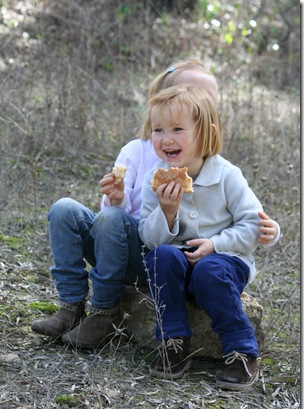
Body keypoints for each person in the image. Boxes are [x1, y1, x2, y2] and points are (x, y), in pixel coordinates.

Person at [31, 59, 280, 349]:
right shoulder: (140, 154)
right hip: (127, 246)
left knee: (127, 229)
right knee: (67, 209)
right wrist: (118, 199)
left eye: (206, 97)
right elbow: (108, 219)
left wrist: (264, 231)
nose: (166, 138)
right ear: (161, 99)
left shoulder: (208, 161)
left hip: (164, 259)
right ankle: (71, 308)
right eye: (159, 129)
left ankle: (106, 312)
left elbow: (245, 216)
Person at [138, 84, 268, 390]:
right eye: (158, 130)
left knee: (211, 270)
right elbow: (147, 236)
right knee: (160, 256)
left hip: (224, 262)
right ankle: (173, 343)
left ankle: (241, 351)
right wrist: (167, 212)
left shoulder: (227, 175)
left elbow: (253, 224)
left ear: (205, 133)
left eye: (177, 129)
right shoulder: (154, 179)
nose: (166, 138)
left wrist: (216, 244)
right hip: (177, 268)